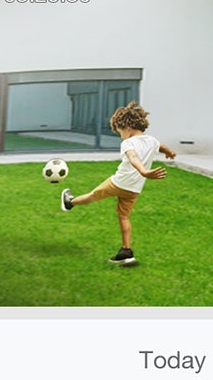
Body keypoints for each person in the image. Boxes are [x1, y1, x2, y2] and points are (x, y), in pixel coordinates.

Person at [58, 102, 177, 266]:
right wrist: (169, 152)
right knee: (124, 216)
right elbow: (160, 146)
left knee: (93, 195)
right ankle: (126, 251)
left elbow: (133, 157)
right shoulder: (151, 140)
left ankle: (69, 202)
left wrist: (143, 171)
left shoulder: (128, 143)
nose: (120, 135)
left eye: (120, 131)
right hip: (134, 190)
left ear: (127, 126)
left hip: (118, 183)